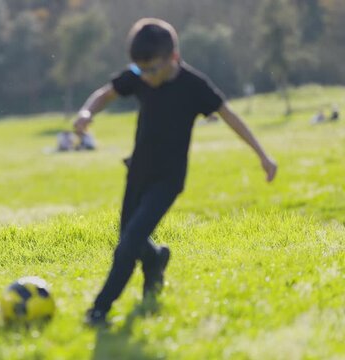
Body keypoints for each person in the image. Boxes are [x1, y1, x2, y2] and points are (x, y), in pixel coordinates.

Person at [73, 18, 278, 326]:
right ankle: (156, 260)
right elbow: (106, 93)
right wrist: (87, 112)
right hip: (138, 171)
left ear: (174, 57)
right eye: (142, 70)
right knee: (132, 237)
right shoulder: (139, 75)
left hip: (168, 180)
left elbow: (229, 115)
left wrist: (262, 154)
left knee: (128, 242)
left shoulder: (194, 86)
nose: (148, 78)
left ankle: (99, 310)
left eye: (153, 69)